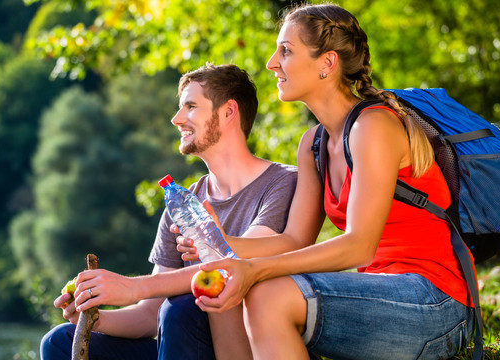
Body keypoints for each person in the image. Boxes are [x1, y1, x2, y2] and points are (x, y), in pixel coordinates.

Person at [185, 4, 476, 360]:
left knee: (266, 294)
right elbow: (293, 241)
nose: (271, 62)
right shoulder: (314, 145)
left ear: (327, 63)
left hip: (436, 301)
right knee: (239, 286)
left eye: (286, 51)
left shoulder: (373, 126)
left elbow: (358, 247)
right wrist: (222, 243)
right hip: (382, 293)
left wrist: (254, 270)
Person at [40, 63, 302, 360]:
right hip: (184, 345)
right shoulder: (181, 203)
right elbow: (150, 314)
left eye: (190, 106)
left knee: (181, 307)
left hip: (245, 347)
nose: (176, 119)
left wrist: (131, 286)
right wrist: (93, 318)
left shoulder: (283, 182)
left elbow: (234, 261)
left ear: (229, 112)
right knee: (59, 341)